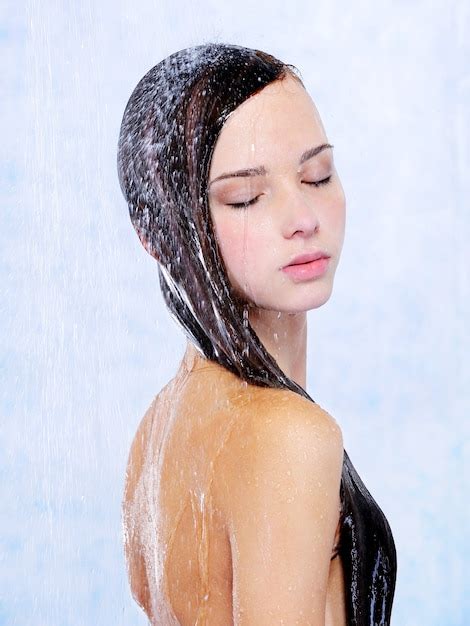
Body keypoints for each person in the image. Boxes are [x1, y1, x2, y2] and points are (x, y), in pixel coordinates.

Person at [117, 43, 397, 626]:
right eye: (246, 197)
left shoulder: (159, 429)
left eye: (317, 174)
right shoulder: (289, 437)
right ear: (160, 234)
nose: (303, 217)